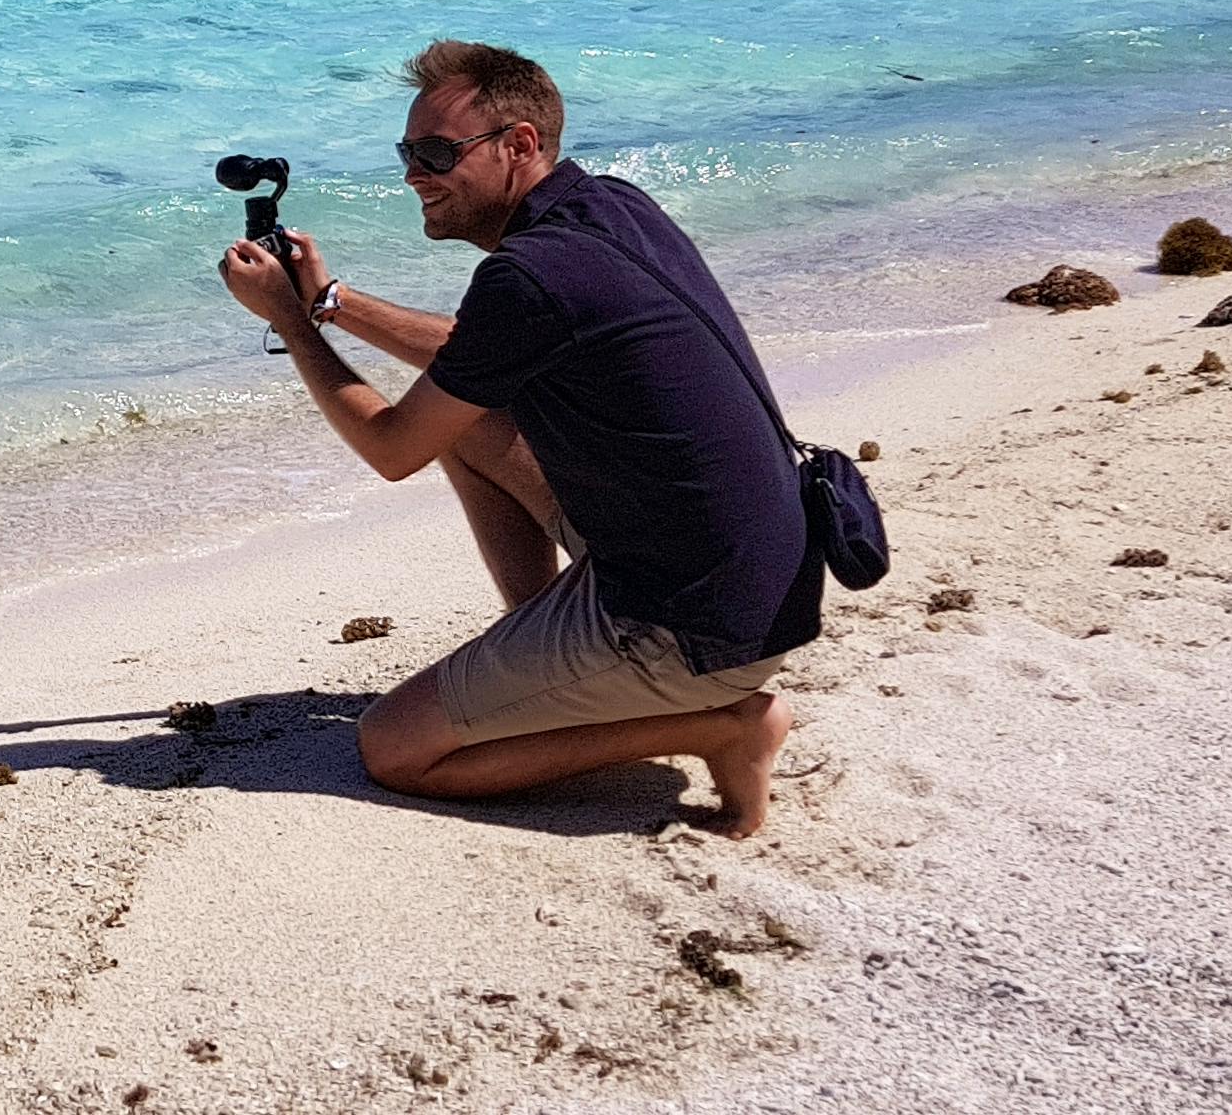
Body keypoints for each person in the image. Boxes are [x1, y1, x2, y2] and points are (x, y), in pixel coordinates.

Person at [215, 41, 821, 835]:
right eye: (407, 152)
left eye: (435, 153)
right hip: (754, 578)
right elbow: (479, 348)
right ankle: (548, 661)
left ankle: (724, 727)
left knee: (395, 748)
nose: (412, 175)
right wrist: (330, 300)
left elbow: (395, 449)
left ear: (521, 144)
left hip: (688, 626)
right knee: (471, 426)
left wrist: (290, 325)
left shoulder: (530, 275)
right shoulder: (608, 208)